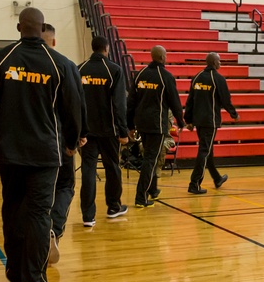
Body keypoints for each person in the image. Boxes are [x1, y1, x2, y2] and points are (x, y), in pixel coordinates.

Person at [0, 7, 84, 282]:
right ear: (41, 29)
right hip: (45, 155)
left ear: (19, 27)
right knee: (39, 215)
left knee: (12, 210)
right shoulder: (61, 63)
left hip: (9, 154)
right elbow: (73, 109)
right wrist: (72, 143)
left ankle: (16, 273)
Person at [41, 23, 87, 264]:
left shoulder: (7, 62)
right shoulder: (65, 65)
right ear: (54, 41)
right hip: (57, 143)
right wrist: (75, 139)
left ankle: (31, 244)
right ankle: (54, 230)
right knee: (64, 187)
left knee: (29, 198)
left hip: (21, 148)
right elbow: (75, 106)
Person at [78, 36, 129, 224]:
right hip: (108, 131)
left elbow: (74, 102)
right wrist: (123, 132)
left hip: (86, 132)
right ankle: (113, 206)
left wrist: (77, 131)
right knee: (112, 168)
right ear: (106, 48)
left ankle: (87, 215)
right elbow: (119, 104)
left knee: (88, 170)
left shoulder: (79, 69)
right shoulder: (114, 70)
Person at [127, 45, 184, 207]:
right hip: (157, 126)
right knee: (150, 160)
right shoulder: (165, 76)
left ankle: (153, 190)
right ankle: (140, 197)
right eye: (165, 55)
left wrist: (130, 125)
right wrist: (181, 122)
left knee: (150, 157)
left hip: (142, 125)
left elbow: (130, 102)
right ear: (162, 57)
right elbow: (175, 102)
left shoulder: (140, 75)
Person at [185, 52, 239, 193]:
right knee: (204, 150)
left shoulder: (196, 77)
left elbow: (190, 100)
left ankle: (216, 178)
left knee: (207, 150)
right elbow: (226, 100)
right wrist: (234, 114)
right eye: (219, 61)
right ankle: (194, 184)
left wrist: (188, 119)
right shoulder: (218, 79)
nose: (220, 63)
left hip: (198, 121)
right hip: (210, 121)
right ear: (214, 63)